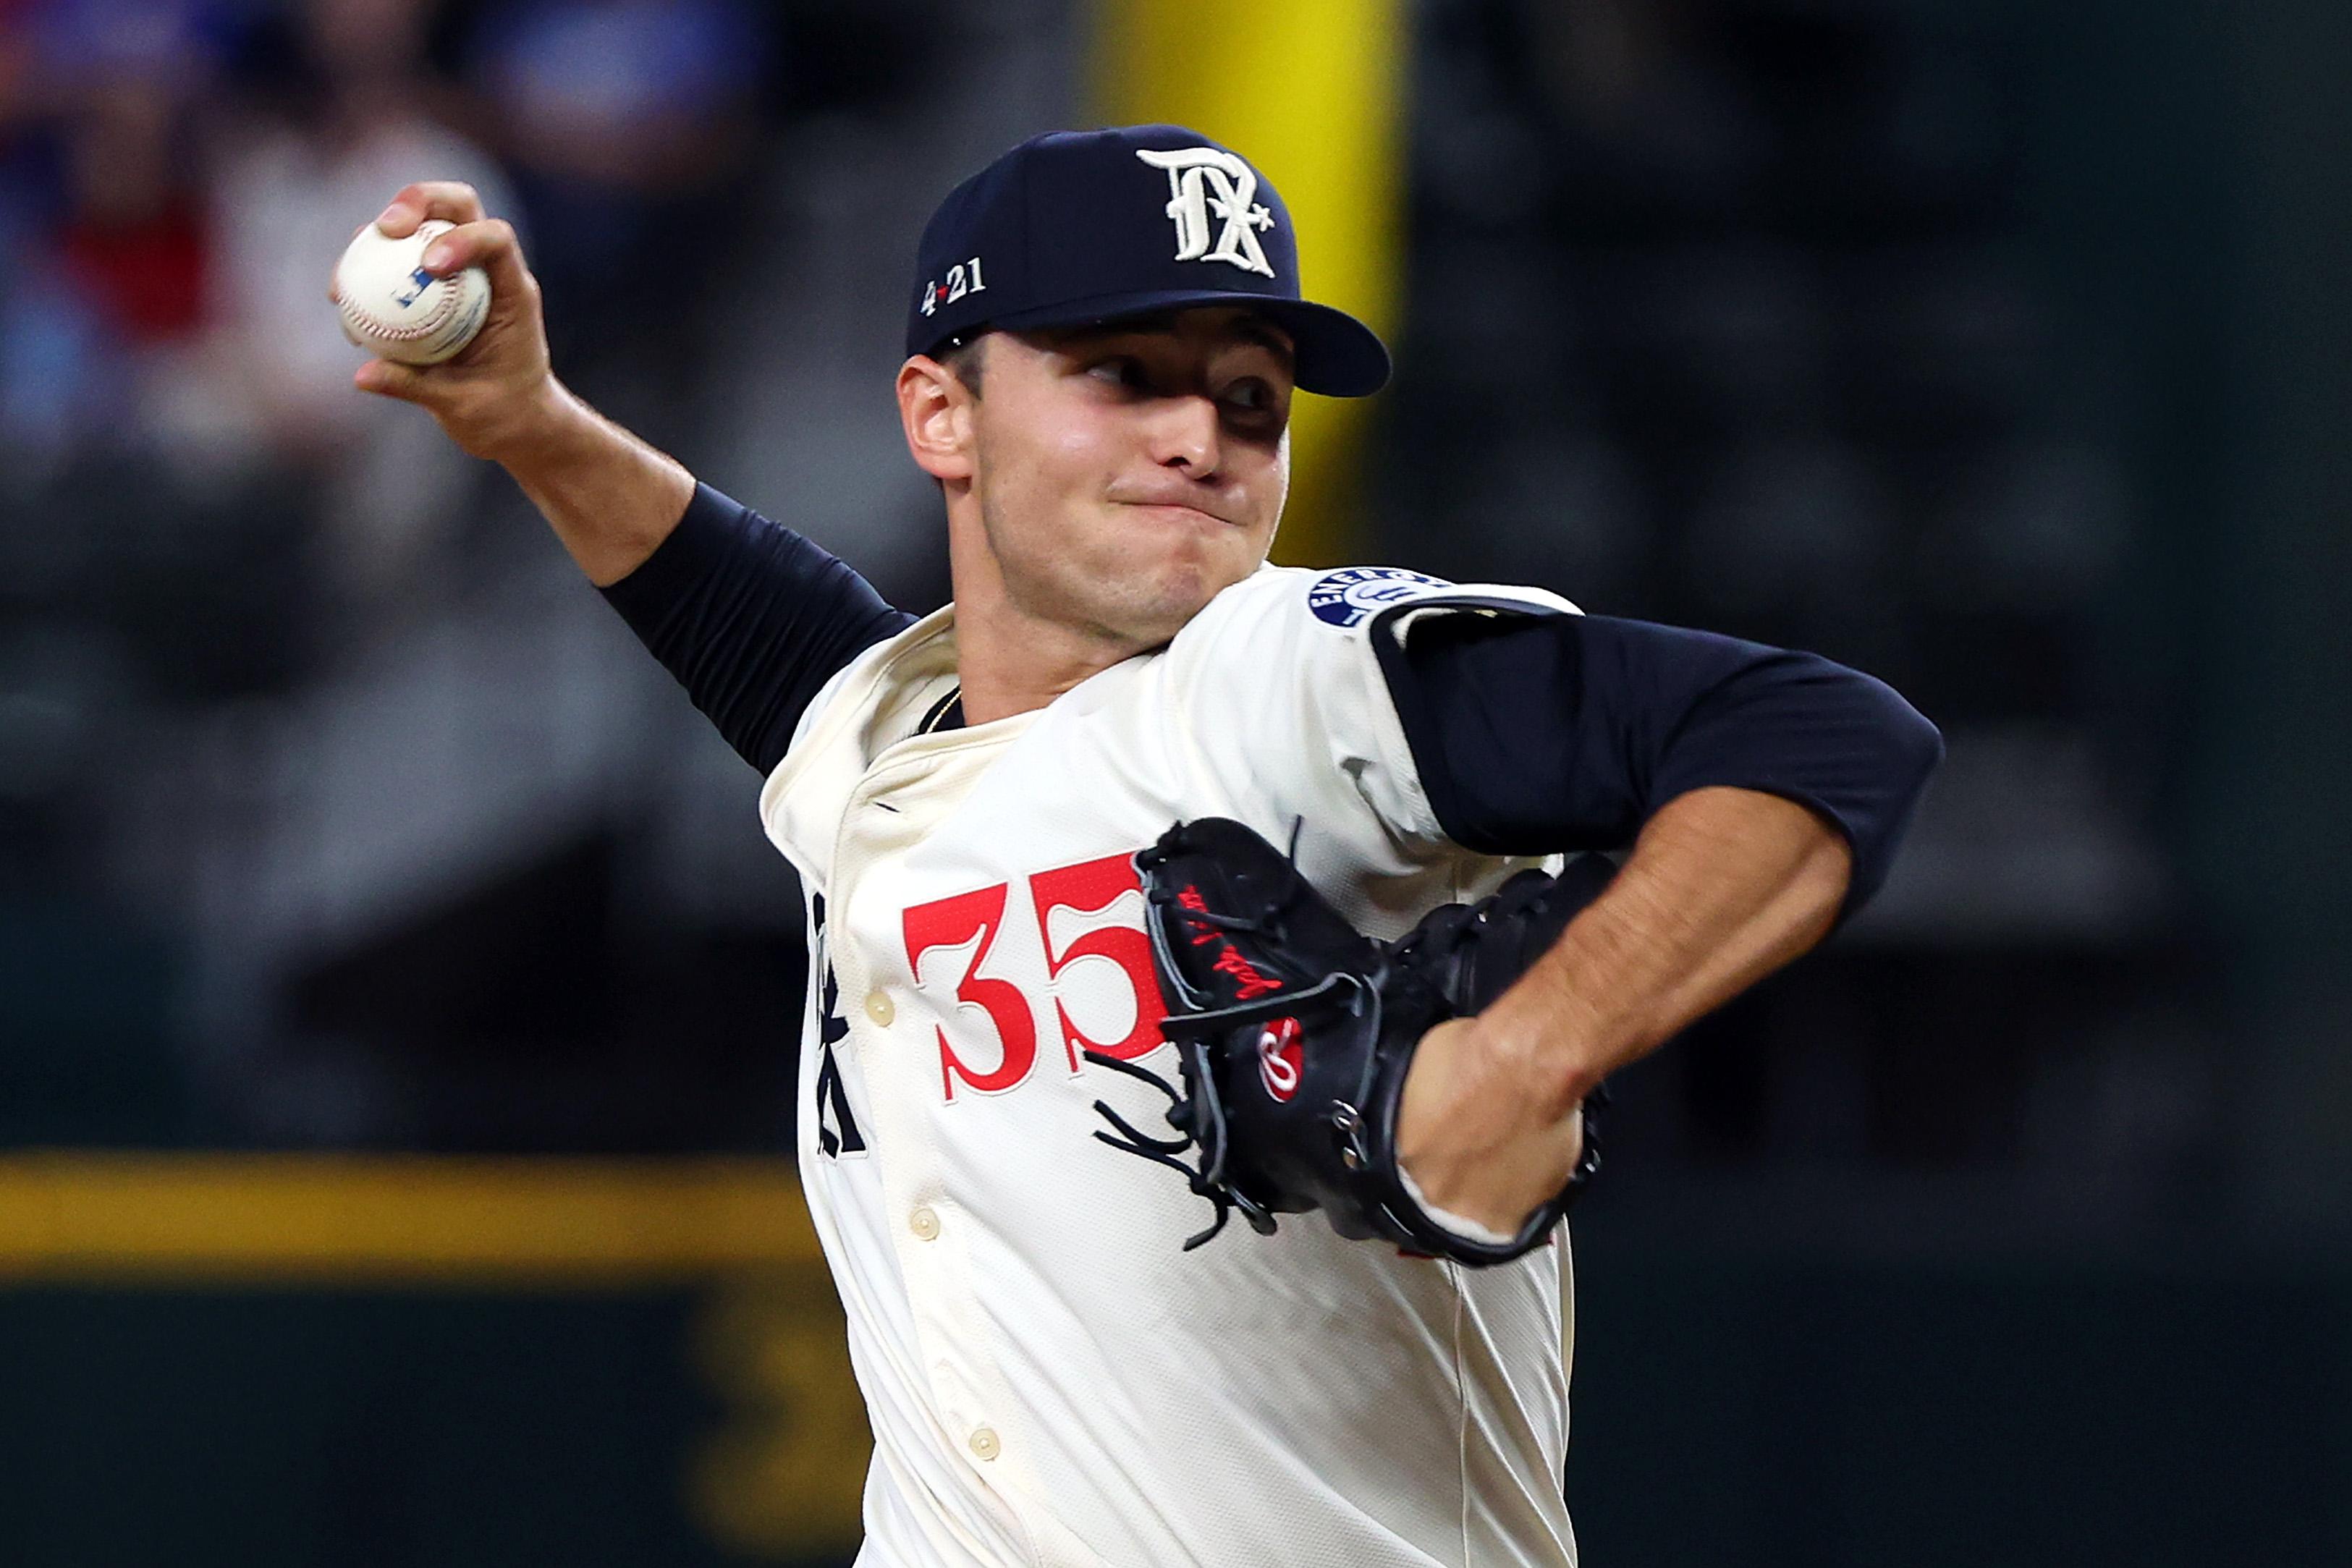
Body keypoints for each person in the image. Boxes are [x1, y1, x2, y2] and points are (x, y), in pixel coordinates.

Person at [344, 125, 1941, 1568]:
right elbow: (764, 632)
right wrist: (535, 426)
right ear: (940, 415)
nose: (1201, 435)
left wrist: (1520, 1063)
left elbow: (1820, 737)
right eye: (1123, 372)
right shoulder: (884, 746)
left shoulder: (1298, 679)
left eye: (1250, 397)